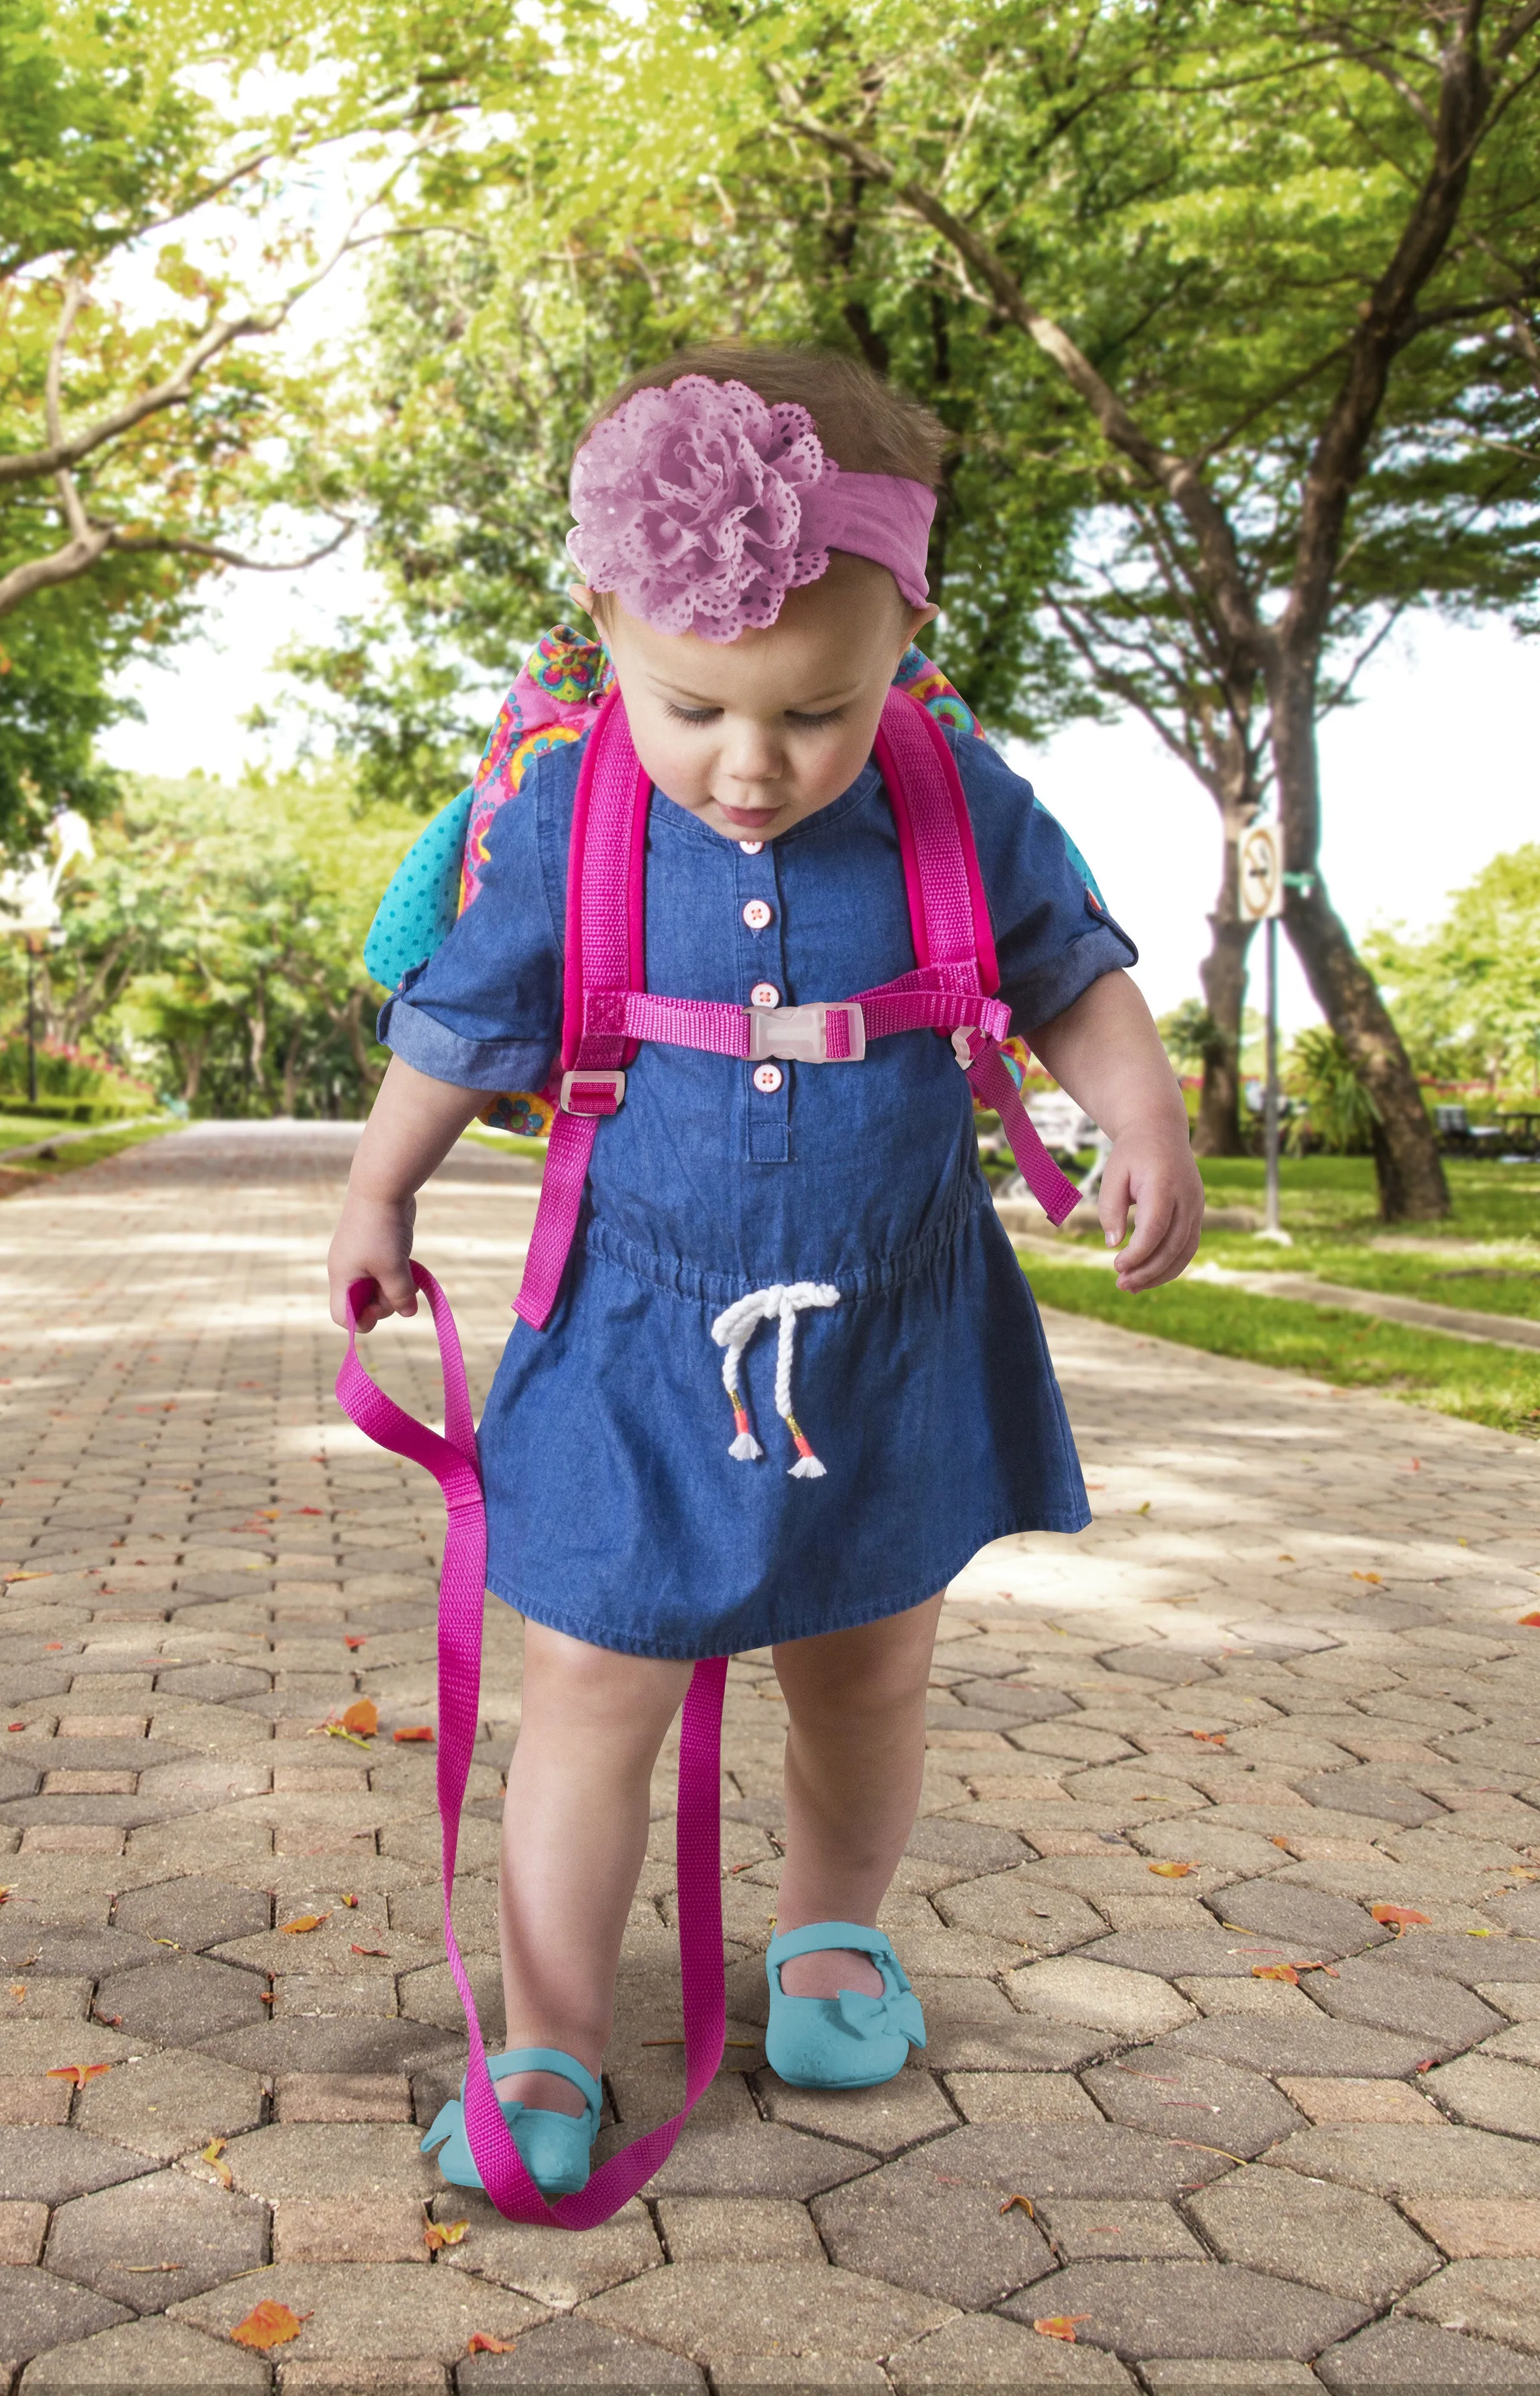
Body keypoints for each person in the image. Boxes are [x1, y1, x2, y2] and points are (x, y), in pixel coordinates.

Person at [328, 345, 1204, 2199]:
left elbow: (1067, 966)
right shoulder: (576, 810)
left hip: (894, 1324)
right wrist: (376, 1194)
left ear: (909, 629)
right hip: (631, 1328)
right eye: (695, 702)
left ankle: (829, 1940)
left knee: (869, 1665)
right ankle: (553, 2037)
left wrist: (1144, 1116)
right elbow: (470, 1019)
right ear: (605, 624)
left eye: (814, 711)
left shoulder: (953, 789)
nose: (750, 762)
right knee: (588, 1686)